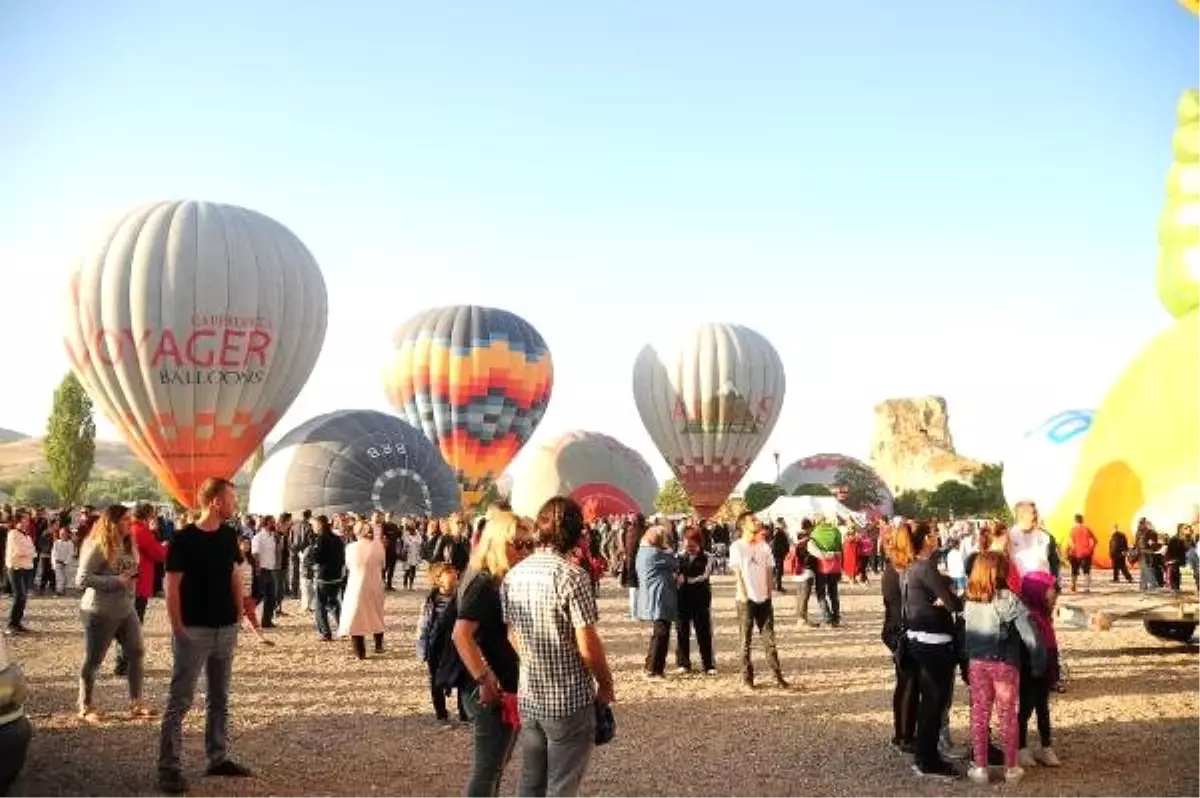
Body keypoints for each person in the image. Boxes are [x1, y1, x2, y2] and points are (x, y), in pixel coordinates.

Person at [502, 496, 615, 797]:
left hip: (531, 694)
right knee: (562, 785)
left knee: (531, 780)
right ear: (577, 533)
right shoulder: (572, 576)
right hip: (568, 698)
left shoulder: (513, 576)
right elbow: (587, 643)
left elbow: (511, 634)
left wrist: (534, 659)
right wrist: (605, 684)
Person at [157, 477, 251, 794]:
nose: (234, 504)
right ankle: (168, 768)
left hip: (224, 628)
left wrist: (238, 614)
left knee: (219, 698)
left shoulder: (228, 535)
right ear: (215, 502)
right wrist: (177, 626)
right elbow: (171, 585)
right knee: (180, 700)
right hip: (193, 630)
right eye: (231, 499)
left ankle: (217, 757)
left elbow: (235, 575)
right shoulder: (184, 539)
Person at [452, 510, 534, 797]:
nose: (524, 551)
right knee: (487, 770)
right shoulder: (483, 582)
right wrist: (485, 680)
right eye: (517, 543)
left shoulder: (496, 578)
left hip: (504, 686)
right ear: (497, 542)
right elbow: (461, 635)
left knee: (496, 767)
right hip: (489, 690)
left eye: (529, 544)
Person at [963, 551, 1045, 785]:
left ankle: (980, 768)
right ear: (1000, 571)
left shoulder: (968, 598)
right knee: (1007, 715)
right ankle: (1011, 768)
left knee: (979, 714)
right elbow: (1030, 633)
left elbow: (963, 632)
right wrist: (1038, 661)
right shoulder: (1009, 599)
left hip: (976, 662)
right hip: (1004, 663)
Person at [76, 504, 155, 723]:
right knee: (94, 660)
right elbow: (81, 579)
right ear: (111, 523)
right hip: (100, 611)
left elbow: (131, 568)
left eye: (130, 519)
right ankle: (85, 706)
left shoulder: (129, 542)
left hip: (125, 609)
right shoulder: (98, 546)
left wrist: (131, 576)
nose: (129, 523)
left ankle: (136, 702)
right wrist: (115, 581)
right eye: (124, 520)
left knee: (137, 652)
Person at [903, 521, 963, 780]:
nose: (937, 537)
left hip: (919, 639)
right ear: (926, 539)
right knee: (934, 701)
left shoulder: (910, 566)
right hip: (932, 642)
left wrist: (942, 596)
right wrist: (946, 597)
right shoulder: (925, 566)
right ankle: (927, 760)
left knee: (930, 700)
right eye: (933, 534)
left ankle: (927, 756)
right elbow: (952, 603)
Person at [729, 512, 788, 689]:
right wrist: (743, 593)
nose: (757, 522)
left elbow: (770, 569)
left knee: (769, 639)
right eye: (752, 520)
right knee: (745, 640)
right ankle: (747, 678)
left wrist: (769, 592)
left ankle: (777, 676)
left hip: (764, 598)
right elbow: (738, 572)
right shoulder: (737, 547)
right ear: (743, 525)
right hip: (746, 599)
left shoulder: (764, 546)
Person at [881, 523, 918, 755]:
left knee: (905, 683)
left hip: (896, 629)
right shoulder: (899, 571)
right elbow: (899, 607)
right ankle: (904, 735)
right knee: (908, 684)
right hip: (901, 631)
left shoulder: (894, 569)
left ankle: (902, 732)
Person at [417, 562, 466, 724]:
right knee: (435, 678)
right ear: (438, 579)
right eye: (449, 571)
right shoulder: (431, 601)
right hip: (436, 644)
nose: (454, 573)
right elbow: (423, 625)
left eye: (454, 570)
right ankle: (441, 713)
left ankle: (464, 713)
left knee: (462, 676)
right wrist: (422, 648)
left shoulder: (462, 597)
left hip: (457, 642)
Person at [635, 525, 678, 679]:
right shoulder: (654, 553)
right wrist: (668, 550)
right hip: (659, 597)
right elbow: (674, 563)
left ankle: (655, 667)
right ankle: (653, 668)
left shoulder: (643, 551)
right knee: (661, 633)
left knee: (659, 633)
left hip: (655, 596)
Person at [340, 520, 387, 659]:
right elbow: (383, 565)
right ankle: (378, 645)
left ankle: (360, 651)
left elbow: (349, 565)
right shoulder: (379, 546)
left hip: (357, 584)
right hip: (376, 583)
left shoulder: (351, 548)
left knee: (356, 617)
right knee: (377, 614)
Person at [675, 529, 716, 674]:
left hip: (701, 599)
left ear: (699, 544)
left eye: (692, 546)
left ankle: (708, 664)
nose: (689, 549)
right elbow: (675, 572)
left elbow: (704, 575)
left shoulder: (708, 557)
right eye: (687, 546)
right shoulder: (679, 556)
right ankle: (683, 663)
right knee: (682, 632)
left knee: (703, 632)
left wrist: (686, 579)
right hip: (682, 599)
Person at [311, 516, 346, 641]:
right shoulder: (337, 538)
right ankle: (343, 628)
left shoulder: (321, 539)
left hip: (324, 576)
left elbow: (318, 558)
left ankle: (325, 632)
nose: (313, 527)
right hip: (336, 576)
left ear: (320, 525)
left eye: (314, 525)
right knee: (334, 603)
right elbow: (342, 557)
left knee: (320, 605)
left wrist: (312, 552)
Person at [808, 515, 843, 627]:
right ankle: (836, 618)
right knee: (833, 593)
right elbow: (839, 548)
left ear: (817, 522)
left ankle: (827, 617)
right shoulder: (836, 531)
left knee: (821, 593)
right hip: (834, 567)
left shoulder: (815, 533)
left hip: (822, 567)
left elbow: (813, 551)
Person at [4, 514, 36, 634]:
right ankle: (11, 625)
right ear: (19, 520)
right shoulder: (13, 534)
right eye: (25, 519)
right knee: (19, 596)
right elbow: (20, 551)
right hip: (16, 568)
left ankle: (17, 623)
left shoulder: (26, 535)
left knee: (23, 597)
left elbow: (32, 549)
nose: (28, 521)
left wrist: (30, 552)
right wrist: (30, 552)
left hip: (26, 567)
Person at [250, 520, 279, 628]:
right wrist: (257, 568)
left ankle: (267, 621)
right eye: (272, 523)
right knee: (259, 596)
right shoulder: (258, 537)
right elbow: (255, 553)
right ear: (266, 523)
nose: (274, 525)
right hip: (261, 569)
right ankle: (248, 617)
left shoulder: (272, 537)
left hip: (270, 569)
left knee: (271, 596)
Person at [1066, 514, 1097, 593]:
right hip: (1086, 553)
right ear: (1082, 520)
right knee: (1086, 571)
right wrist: (1091, 549)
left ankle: (1073, 585)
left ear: (1075, 520)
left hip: (1075, 553)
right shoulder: (1086, 529)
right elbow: (1095, 540)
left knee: (1074, 570)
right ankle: (1086, 588)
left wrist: (1069, 551)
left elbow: (1070, 542)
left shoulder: (1073, 529)